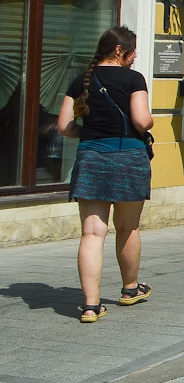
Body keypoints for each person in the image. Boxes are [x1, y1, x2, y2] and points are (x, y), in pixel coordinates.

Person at [57, 27, 154, 323]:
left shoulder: (81, 80)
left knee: (91, 233)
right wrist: (149, 122)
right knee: (128, 228)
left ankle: (90, 305)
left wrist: (90, 133)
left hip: (91, 159)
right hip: (128, 159)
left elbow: (64, 127)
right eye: (133, 50)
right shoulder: (133, 79)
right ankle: (130, 288)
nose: (135, 56)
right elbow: (141, 121)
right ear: (119, 51)